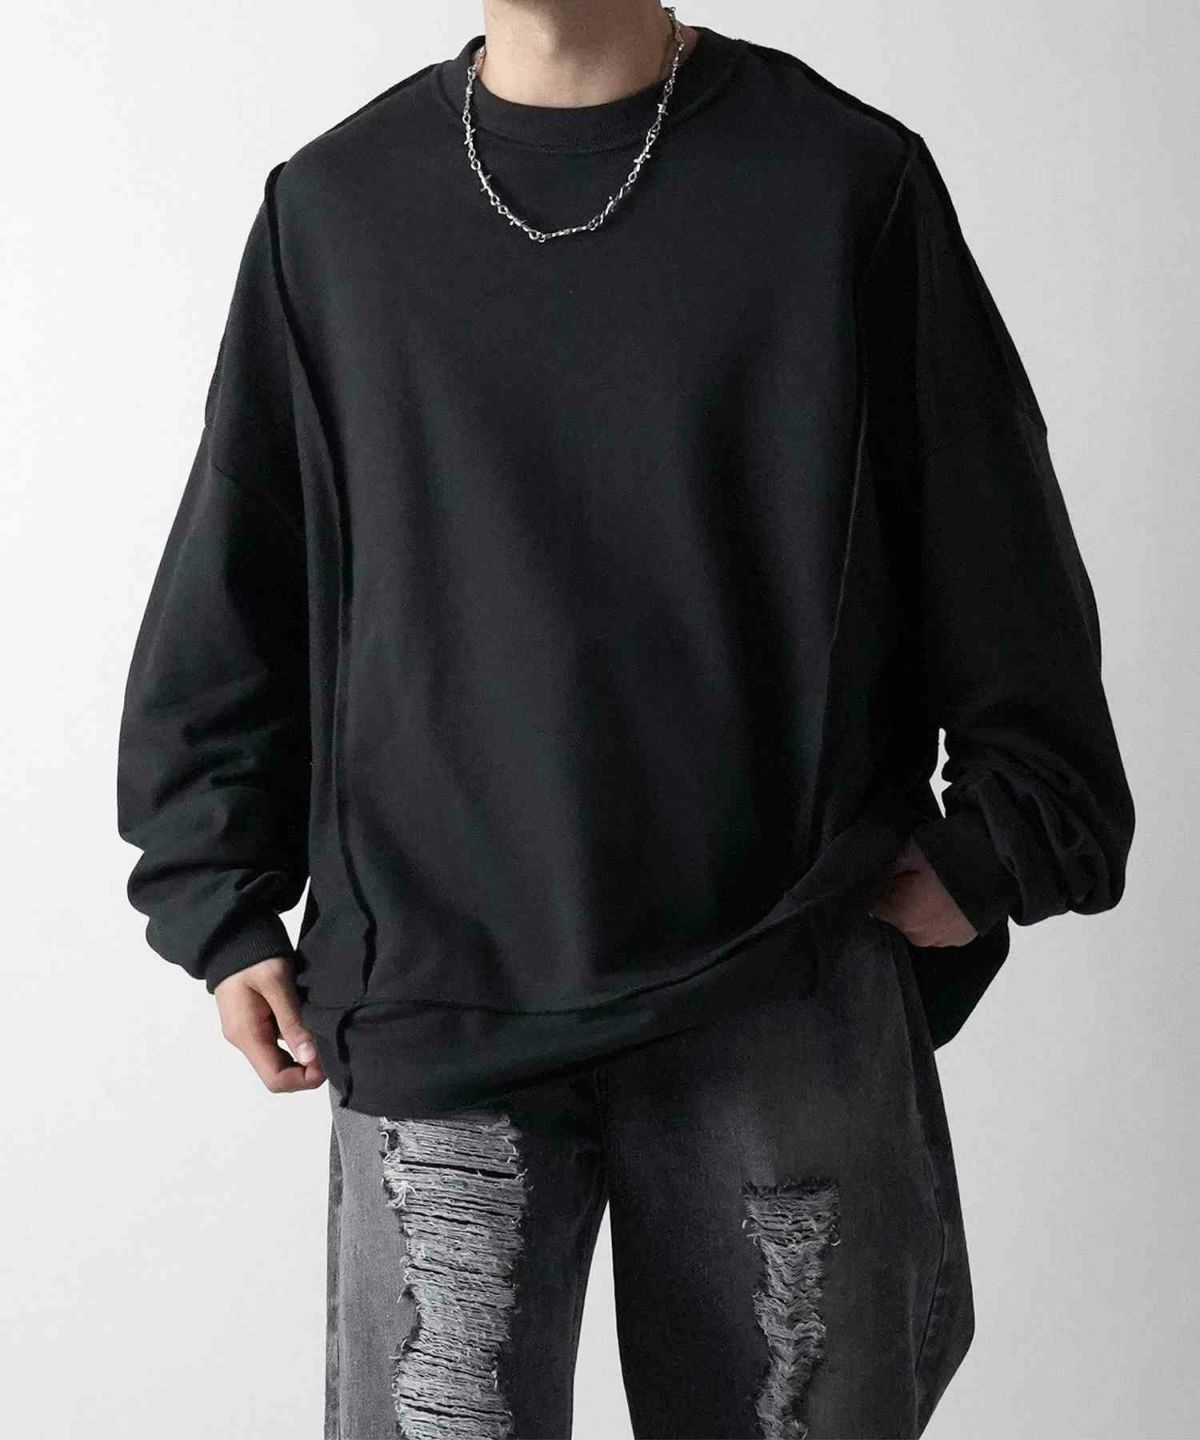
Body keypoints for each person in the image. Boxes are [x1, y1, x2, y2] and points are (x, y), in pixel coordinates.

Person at [115, 3, 1135, 1435]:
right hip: (437, 988)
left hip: (778, 978)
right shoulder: (335, 211)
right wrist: (218, 899)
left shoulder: (840, 180)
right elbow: (244, 569)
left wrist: (1003, 838)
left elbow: (992, 538)